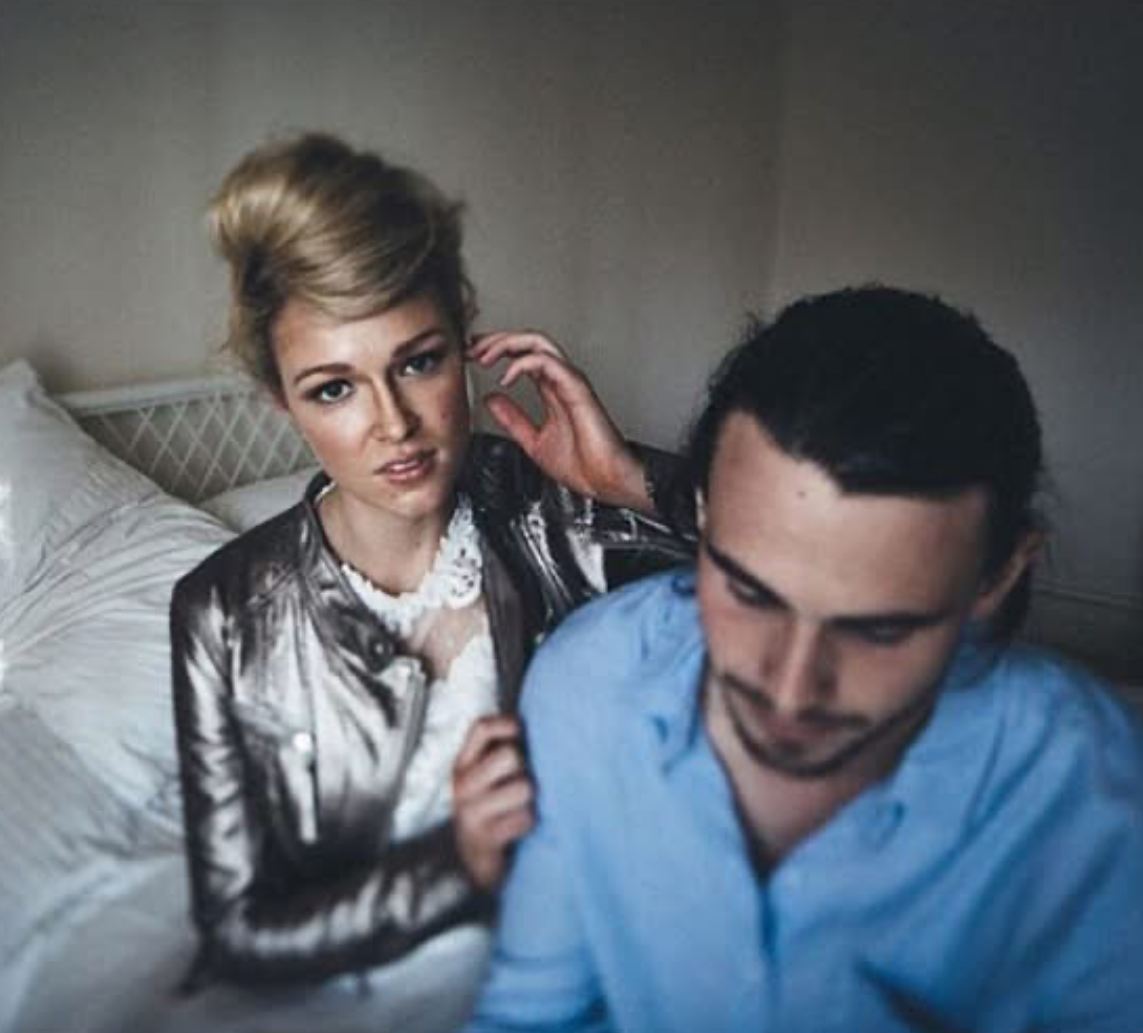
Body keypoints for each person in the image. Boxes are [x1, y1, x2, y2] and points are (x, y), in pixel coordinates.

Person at [465, 286, 1143, 1033]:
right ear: (699, 515)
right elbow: (531, 1015)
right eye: (749, 591)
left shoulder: (1096, 797)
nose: (789, 689)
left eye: (878, 630)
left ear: (998, 575)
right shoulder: (590, 683)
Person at [169, 132, 691, 989]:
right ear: (282, 401)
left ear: (464, 344)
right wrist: (460, 862)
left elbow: (801, 577)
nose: (395, 424)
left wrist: (629, 481)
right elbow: (237, 933)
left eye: (417, 362)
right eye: (334, 388)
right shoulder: (219, 610)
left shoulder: (554, 513)